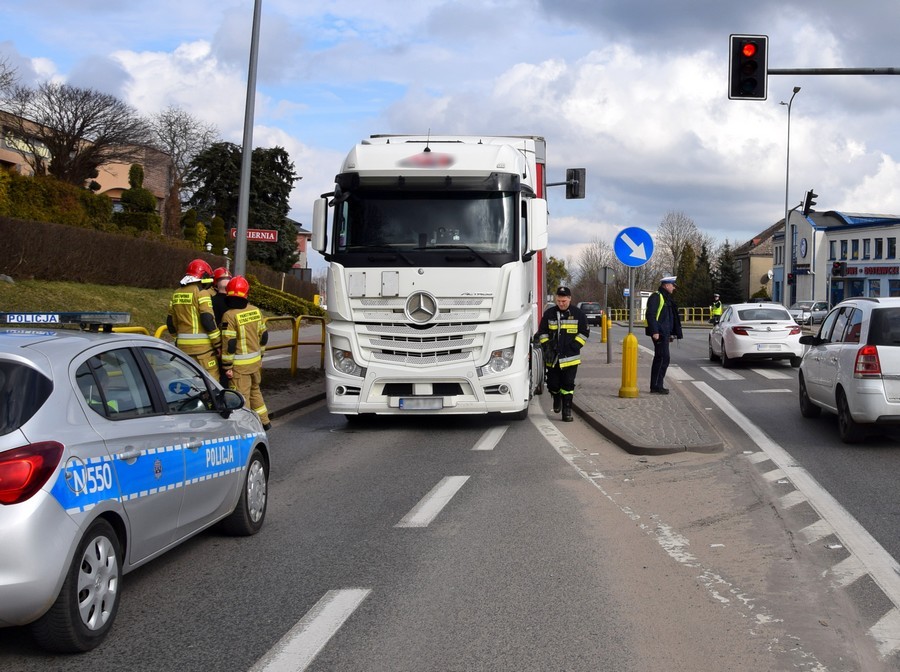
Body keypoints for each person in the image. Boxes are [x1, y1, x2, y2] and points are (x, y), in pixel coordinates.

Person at [220, 275, 271, 430]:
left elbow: (229, 343)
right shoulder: (255, 311)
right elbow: (264, 337)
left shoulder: (229, 315)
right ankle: (265, 422)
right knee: (256, 392)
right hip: (255, 363)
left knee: (242, 399)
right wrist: (260, 356)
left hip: (239, 367)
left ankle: (247, 428)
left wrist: (227, 366)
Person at [537, 286, 589, 422]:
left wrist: (574, 346)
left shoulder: (578, 314)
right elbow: (542, 332)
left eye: (564, 301)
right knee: (553, 384)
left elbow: (584, 333)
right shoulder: (549, 314)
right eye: (559, 301)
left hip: (571, 358)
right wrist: (547, 345)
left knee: (568, 384)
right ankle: (556, 396)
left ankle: (567, 411)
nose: (561, 303)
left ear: (569, 299)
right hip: (553, 358)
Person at [167, 259, 222, 382]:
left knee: (189, 384)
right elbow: (207, 320)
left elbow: (170, 323)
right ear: (203, 276)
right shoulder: (201, 293)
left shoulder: (176, 293)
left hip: (182, 349)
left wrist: (177, 339)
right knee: (211, 384)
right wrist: (218, 344)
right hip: (203, 350)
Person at [645, 275, 683, 395]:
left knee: (661, 358)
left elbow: (668, 318)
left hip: (664, 333)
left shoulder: (665, 298)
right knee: (662, 358)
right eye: (672, 285)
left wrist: (671, 333)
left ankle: (656, 385)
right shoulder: (657, 297)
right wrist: (655, 331)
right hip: (659, 333)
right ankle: (656, 386)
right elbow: (650, 315)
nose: (674, 288)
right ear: (666, 285)